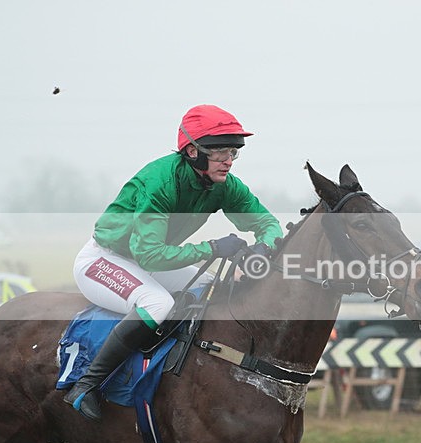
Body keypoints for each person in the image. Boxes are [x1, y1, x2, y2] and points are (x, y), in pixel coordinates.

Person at [65, 104, 283, 421]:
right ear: (192, 151)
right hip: (104, 259)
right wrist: (212, 247)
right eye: (220, 151)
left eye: (234, 152)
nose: (229, 160)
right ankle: (86, 385)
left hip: (147, 259)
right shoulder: (161, 183)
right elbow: (149, 255)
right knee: (157, 303)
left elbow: (268, 223)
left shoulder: (224, 184)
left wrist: (264, 247)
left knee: (215, 291)